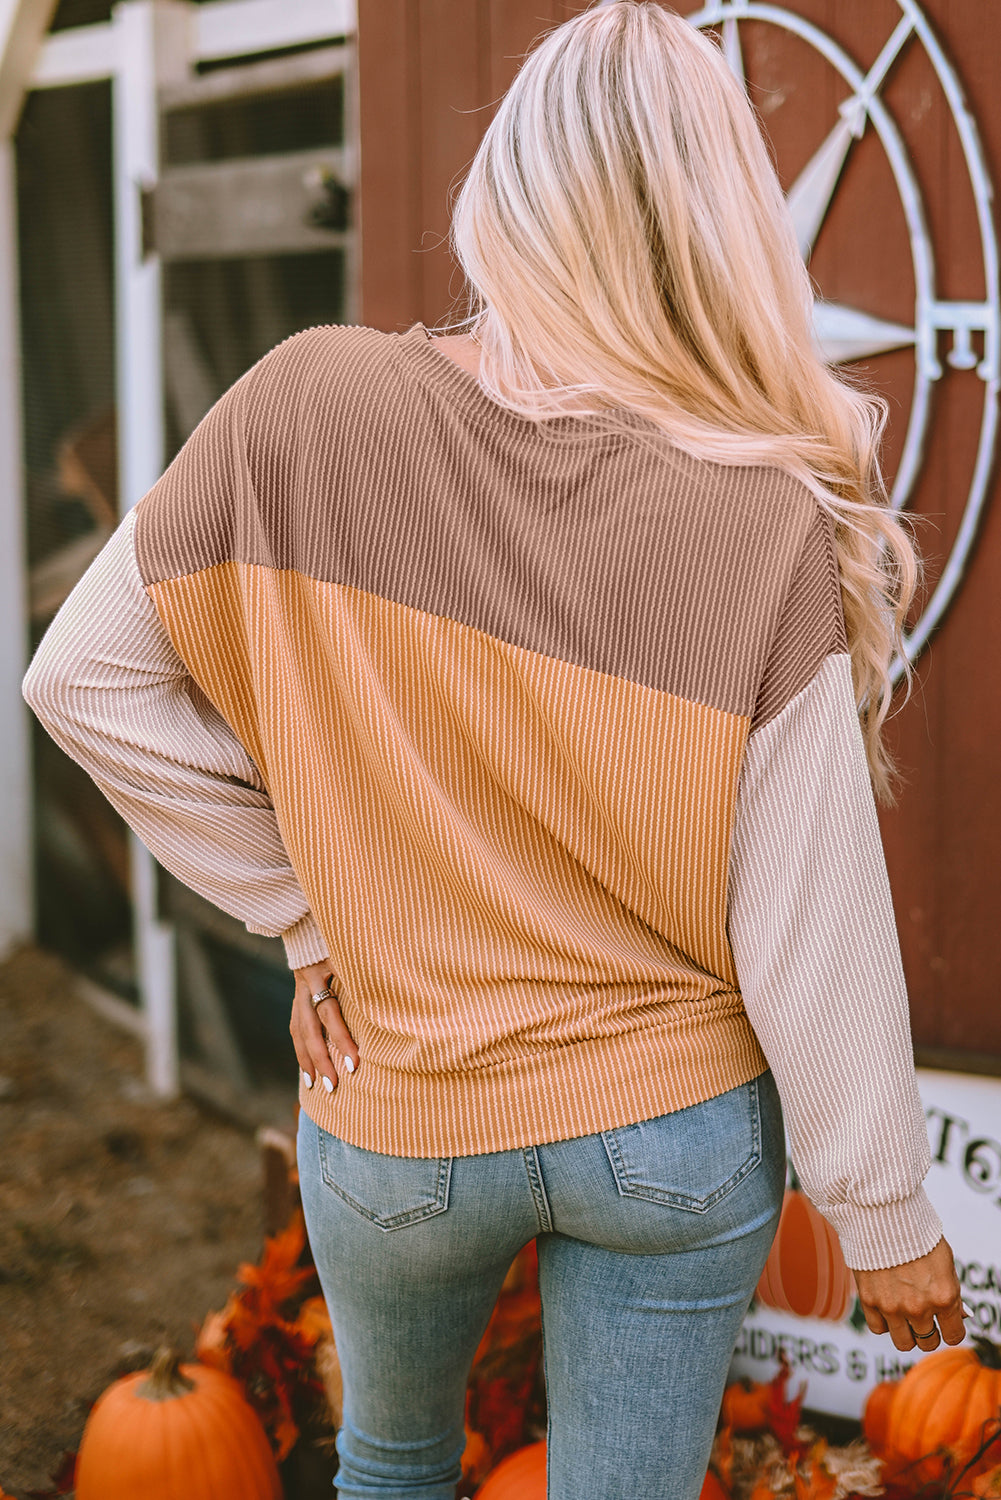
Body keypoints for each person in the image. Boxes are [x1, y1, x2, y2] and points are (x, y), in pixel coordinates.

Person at [23, 4, 964, 1497]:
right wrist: (884, 1211)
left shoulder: (304, 405)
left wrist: (301, 909)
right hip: (671, 1135)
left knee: (390, 1469)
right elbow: (809, 904)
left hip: (398, 1111)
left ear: (508, 194)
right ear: (713, 225)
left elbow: (81, 684)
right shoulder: (762, 515)